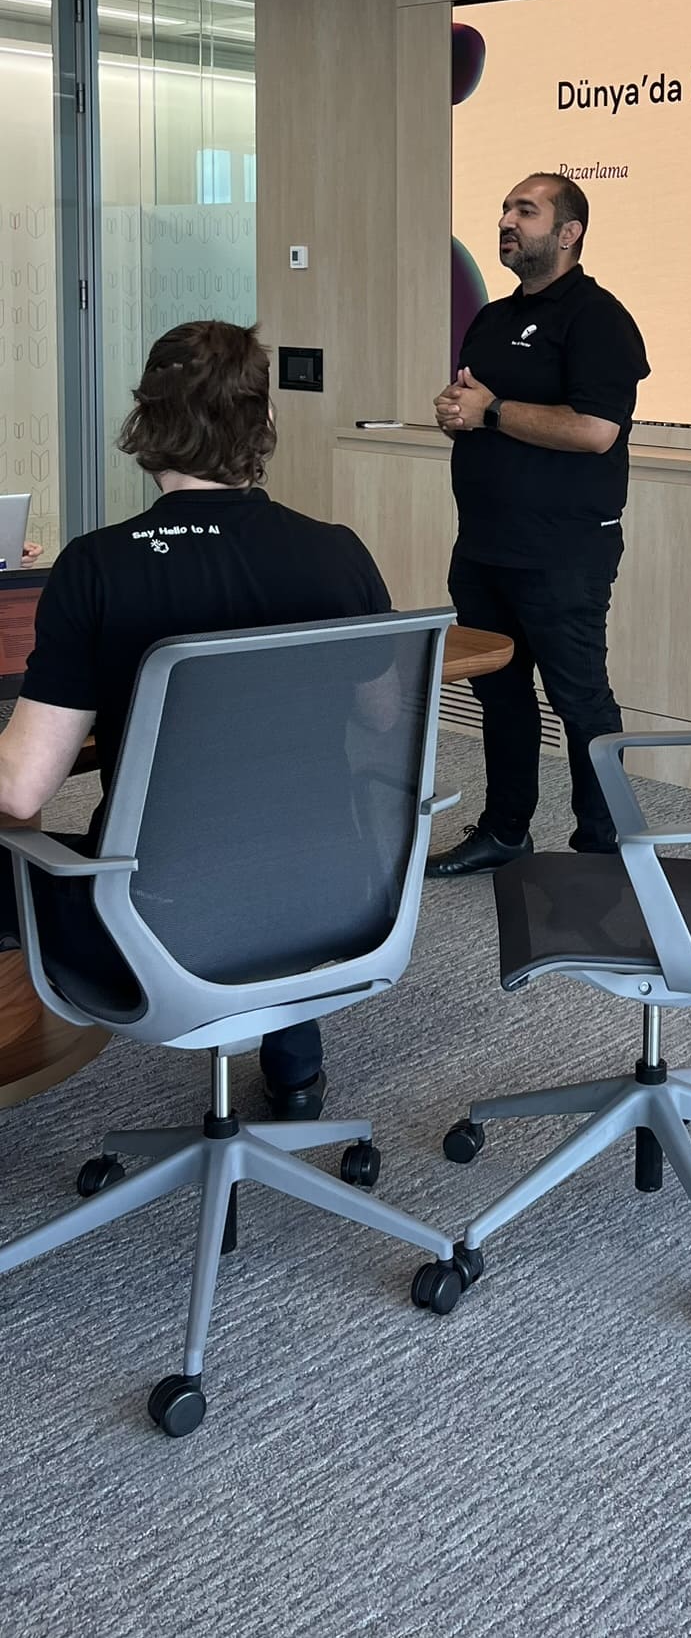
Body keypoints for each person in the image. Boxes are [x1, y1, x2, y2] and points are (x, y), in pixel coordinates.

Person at [0, 319, 392, 1116]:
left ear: (145, 422)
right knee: (271, 832)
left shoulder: (97, 567)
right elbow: (385, 718)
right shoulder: (337, 552)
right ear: (265, 421)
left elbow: (21, 787)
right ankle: (294, 1068)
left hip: (158, 915)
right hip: (330, 894)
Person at [428, 173, 649, 878]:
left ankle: (603, 850)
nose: (507, 221)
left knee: (578, 697)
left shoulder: (598, 319)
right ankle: (504, 831)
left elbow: (595, 430)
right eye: (505, 209)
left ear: (568, 232)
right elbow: (474, 406)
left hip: (563, 552)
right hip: (484, 545)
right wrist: (456, 413)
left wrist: (491, 411)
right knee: (499, 692)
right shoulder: (492, 319)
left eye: (526, 210)